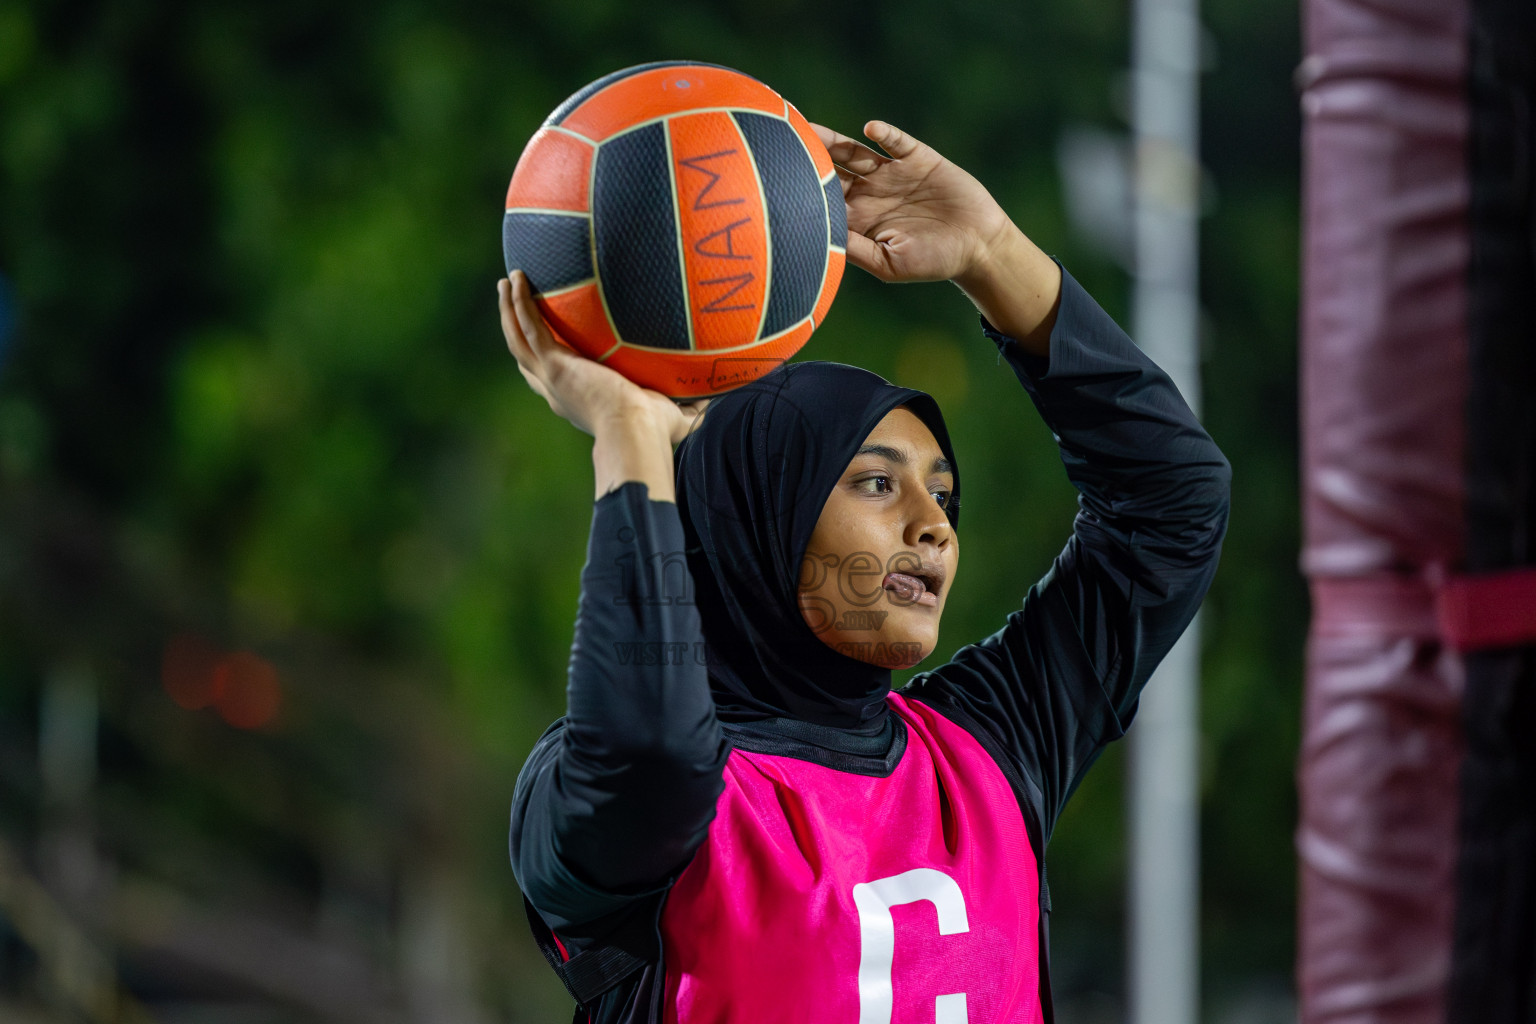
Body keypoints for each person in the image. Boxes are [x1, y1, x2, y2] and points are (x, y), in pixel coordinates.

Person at [499, 119, 1230, 1024]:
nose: (934, 529)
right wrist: (633, 441)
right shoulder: (621, 792)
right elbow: (650, 756)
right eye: (878, 483)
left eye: (945, 497)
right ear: (759, 516)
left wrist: (992, 254)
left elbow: (1173, 503)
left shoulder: (992, 750)